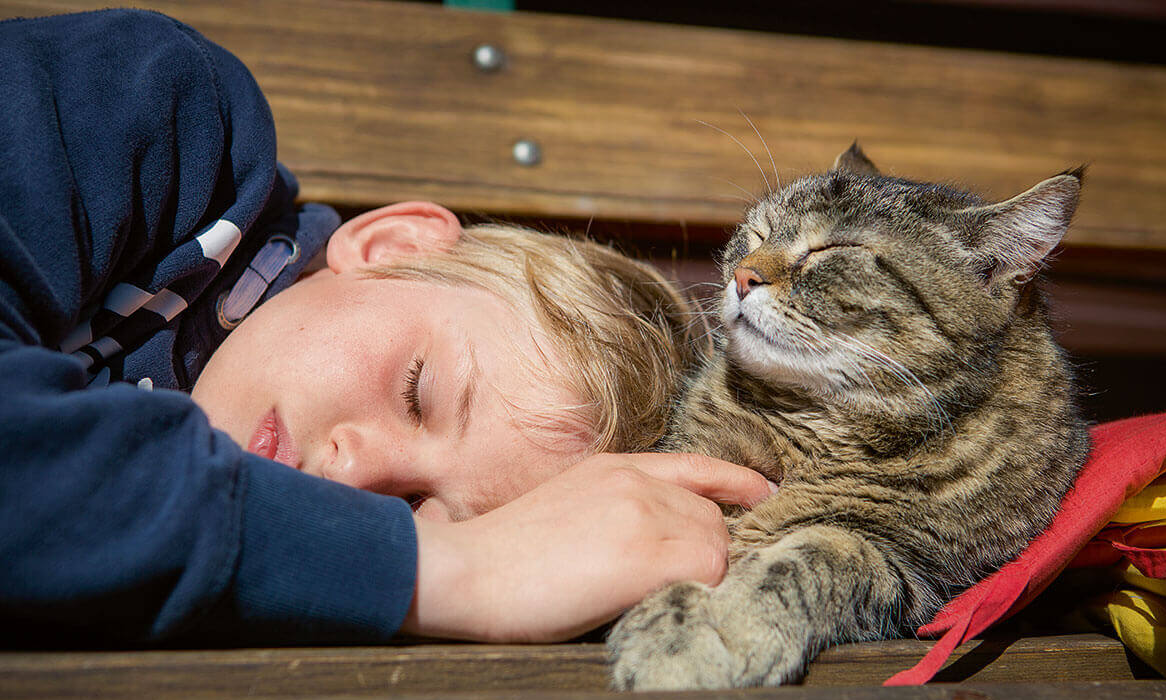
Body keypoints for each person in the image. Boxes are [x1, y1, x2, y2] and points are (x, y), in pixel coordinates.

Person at [0, 8, 771, 646]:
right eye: (416, 393)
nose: (353, 474)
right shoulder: (158, 111)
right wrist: (458, 572)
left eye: (410, 515)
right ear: (391, 247)